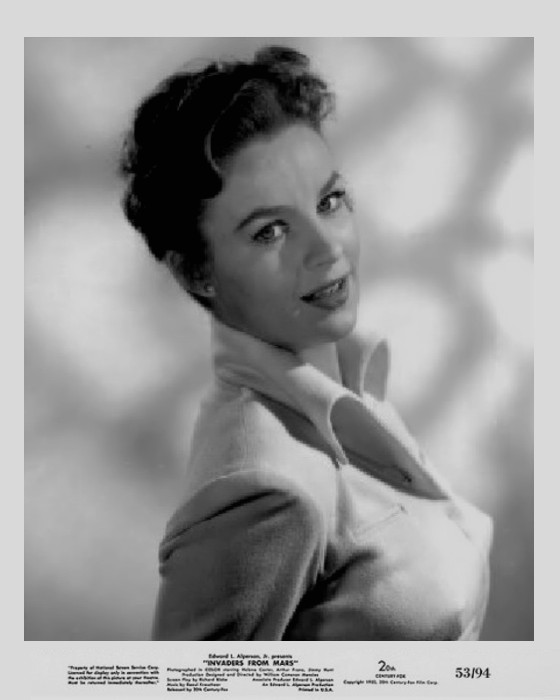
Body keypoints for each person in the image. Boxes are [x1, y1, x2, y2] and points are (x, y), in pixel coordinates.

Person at [119, 45, 493, 641]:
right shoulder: (267, 489)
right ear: (198, 272)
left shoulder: (348, 384)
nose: (326, 249)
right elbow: (191, 683)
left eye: (329, 201)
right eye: (270, 231)